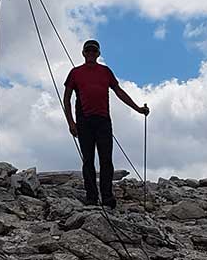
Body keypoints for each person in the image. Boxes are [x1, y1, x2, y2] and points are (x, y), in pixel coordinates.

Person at [63, 39, 149, 208]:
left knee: (106, 160)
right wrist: (71, 122)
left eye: (93, 51)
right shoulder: (75, 73)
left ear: (98, 54)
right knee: (88, 160)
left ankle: (107, 197)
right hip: (84, 120)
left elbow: (119, 92)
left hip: (103, 120)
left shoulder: (105, 71)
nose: (91, 54)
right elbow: (66, 98)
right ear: (83, 53)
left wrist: (138, 108)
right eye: (88, 51)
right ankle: (92, 197)